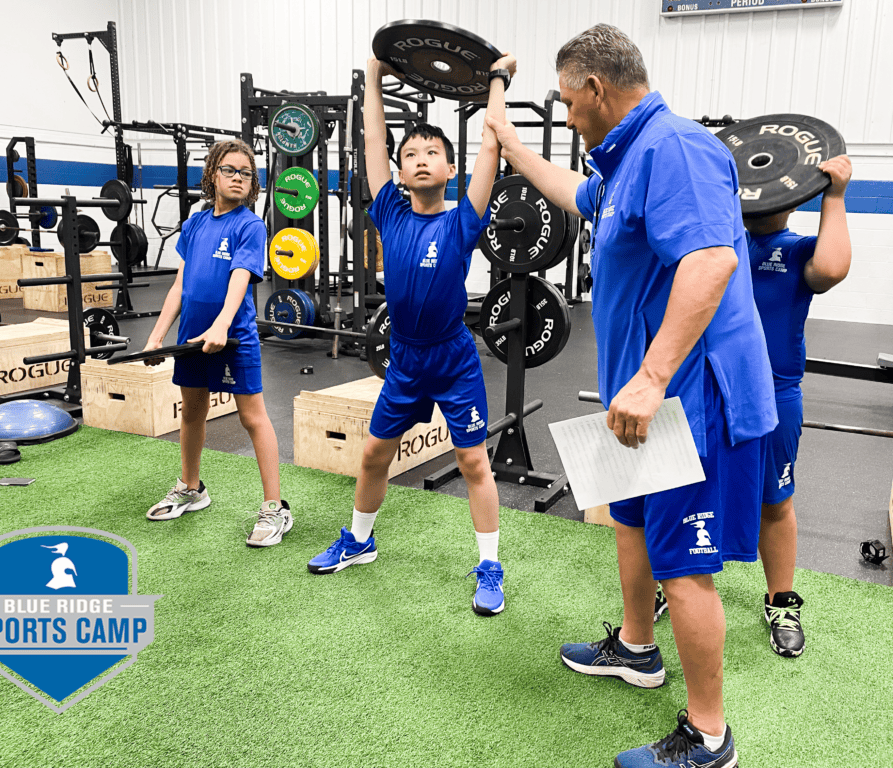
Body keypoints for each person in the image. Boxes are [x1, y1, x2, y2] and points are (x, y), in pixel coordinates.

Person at [487, 24, 776, 768]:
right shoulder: (622, 162)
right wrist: (512, 146)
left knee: (685, 566)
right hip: (639, 399)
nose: (567, 112)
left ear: (595, 89)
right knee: (630, 523)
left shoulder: (674, 148)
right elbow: (577, 199)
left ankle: (710, 736)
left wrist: (650, 379)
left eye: (567, 100)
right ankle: (637, 649)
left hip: (688, 397)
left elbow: (710, 261)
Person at [306, 51, 516, 617]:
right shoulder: (391, 214)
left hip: (453, 360)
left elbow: (491, 148)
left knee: (475, 462)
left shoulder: (462, 220)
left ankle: (490, 566)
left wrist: (497, 81)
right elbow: (373, 141)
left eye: (432, 153)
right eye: (410, 155)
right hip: (404, 361)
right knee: (375, 452)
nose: (420, 160)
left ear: (450, 170)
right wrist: (373, 77)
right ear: (399, 173)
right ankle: (359, 539)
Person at [141, 140, 290, 548]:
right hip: (192, 336)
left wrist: (222, 326)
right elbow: (179, 286)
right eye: (230, 170)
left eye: (246, 172)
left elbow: (240, 280)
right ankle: (191, 487)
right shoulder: (194, 225)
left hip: (233, 337)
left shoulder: (250, 226)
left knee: (252, 417)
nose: (239, 177)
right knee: (192, 411)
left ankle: (275, 507)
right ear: (212, 175)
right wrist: (155, 337)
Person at [745, 155, 853, 656]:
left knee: (776, 501)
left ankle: (781, 601)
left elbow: (832, 268)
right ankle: (667, 584)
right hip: (707, 392)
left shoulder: (794, 251)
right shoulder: (716, 242)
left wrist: (834, 193)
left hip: (774, 396)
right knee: (688, 496)